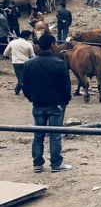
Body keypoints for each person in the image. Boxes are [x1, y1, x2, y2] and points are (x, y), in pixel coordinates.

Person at [22, 34, 73, 173]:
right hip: (56, 105)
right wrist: (65, 101)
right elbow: (66, 87)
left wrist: (31, 98)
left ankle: (37, 164)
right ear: (52, 45)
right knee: (55, 135)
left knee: (38, 134)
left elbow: (24, 85)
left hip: (38, 104)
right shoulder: (60, 63)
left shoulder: (28, 64)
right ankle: (56, 164)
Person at [4, 30, 35, 95]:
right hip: (26, 63)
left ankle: (17, 90)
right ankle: (26, 92)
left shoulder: (12, 42)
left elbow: (6, 53)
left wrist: (7, 56)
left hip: (16, 63)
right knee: (23, 78)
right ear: (26, 36)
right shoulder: (28, 44)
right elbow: (32, 56)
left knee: (20, 77)